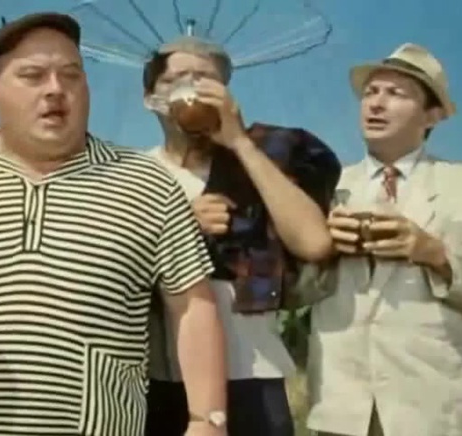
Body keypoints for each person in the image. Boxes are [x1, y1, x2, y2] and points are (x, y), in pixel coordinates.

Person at [0, 12, 228, 436]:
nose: (55, 89)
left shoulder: (147, 184)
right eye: (33, 76)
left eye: (71, 75)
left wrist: (207, 420)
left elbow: (193, 305)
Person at [293, 43, 462, 436]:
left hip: (435, 414)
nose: (376, 103)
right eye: (370, 92)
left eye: (395, 93)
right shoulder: (323, 189)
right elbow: (287, 292)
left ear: (433, 114)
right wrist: (323, 250)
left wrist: (437, 254)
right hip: (339, 412)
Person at [141, 36, 339, 436]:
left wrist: (238, 142)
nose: (192, 88)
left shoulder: (259, 160)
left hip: (252, 375)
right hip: (159, 380)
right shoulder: (134, 175)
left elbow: (314, 243)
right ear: (151, 99)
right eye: (178, 78)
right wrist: (179, 224)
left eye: (205, 78)